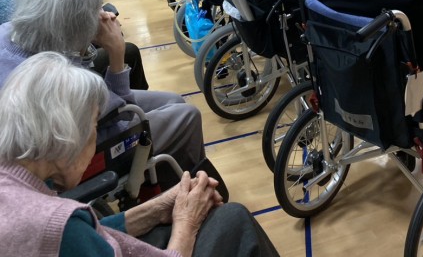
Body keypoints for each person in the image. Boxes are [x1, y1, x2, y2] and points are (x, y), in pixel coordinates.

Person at [0, 52, 281, 257]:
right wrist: (187, 221)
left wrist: (156, 209)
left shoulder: (18, 183)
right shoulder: (57, 226)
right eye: (94, 126)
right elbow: (74, 234)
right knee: (233, 219)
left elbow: (91, 233)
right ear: (68, 137)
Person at [0, 0, 213, 184]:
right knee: (187, 115)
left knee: (173, 101)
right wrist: (116, 52)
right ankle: (190, 189)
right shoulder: (58, 74)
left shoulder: (8, 30)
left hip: (37, 138)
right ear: (77, 23)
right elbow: (122, 116)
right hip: (73, 150)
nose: (102, 14)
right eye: (96, 10)